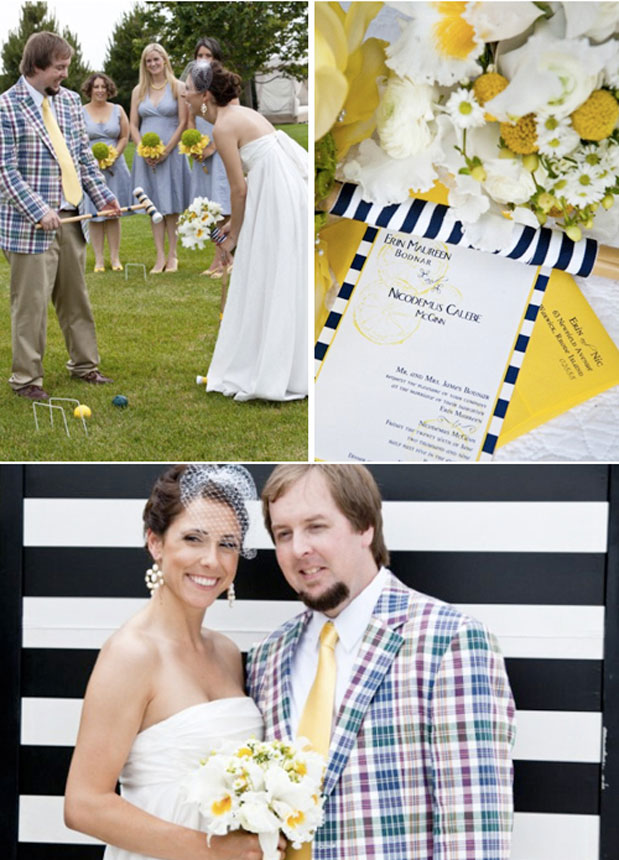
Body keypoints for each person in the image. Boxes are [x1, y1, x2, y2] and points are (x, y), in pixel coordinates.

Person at [247, 464, 516, 860]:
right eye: (284, 534)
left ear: (365, 527)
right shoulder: (266, 656)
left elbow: (474, 834)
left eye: (316, 526)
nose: (298, 548)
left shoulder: (450, 642)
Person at [65, 463, 285, 860]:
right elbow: (83, 804)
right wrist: (216, 851)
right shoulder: (131, 654)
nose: (211, 560)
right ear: (156, 542)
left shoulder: (227, 653)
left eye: (228, 543)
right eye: (193, 539)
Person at [0, 31, 120, 401]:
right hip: (29, 225)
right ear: (36, 66)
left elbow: (82, 157)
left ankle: (85, 366)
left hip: (72, 219)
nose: (65, 75)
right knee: (31, 306)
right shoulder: (6, 106)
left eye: (67, 67)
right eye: (59, 68)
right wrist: (39, 210)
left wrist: (103, 197)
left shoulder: (68, 102)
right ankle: (27, 379)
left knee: (75, 299)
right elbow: (5, 170)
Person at [184, 61, 307, 402]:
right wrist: (233, 227)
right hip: (280, 190)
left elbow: (238, 190)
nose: (184, 95)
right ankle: (276, 363)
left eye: (188, 90)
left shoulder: (223, 127)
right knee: (274, 271)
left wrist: (233, 235)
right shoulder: (241, 113)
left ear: (205, 96)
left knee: (269, 271)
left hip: (273, 194)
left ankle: (267, 369)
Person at [130, 43, 189, 274]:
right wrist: (143, 148)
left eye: (156, 59)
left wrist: (167, 149)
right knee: (152, 204)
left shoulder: (178, 87)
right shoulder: (139, 90)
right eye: (148, 61)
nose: (153, 64)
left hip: (171, 151)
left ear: (165, 60)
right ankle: (160, 256)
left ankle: (173, 255)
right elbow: (134, 124)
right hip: (146, 156)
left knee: (171, 204)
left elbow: (184, 121)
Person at [186, 38, 234, 279]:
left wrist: (213, 148)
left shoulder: (225, 83)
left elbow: (232, 117)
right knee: (208, 209)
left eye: (208, 56)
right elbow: (190, 120)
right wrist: (193, 145)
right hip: (200, 152)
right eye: (200, 56)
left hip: (221, 149)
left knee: (222, 206)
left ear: (216, 58)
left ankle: (226, 258)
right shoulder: (194, 84)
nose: (203, 60)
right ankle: (218, 258)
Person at [82, 72, 132, 272]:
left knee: (113, 213)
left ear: (108, 89)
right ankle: (99, 260)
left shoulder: (118, 110)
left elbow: (124, 136)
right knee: (95, 214)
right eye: (96, 87)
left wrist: (113, 156)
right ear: (90, 90)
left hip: (115, 167)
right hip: (90, 168)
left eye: (103, 87)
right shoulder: (81, 111)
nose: (100, 90)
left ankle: (115, 258)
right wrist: (93, 161)